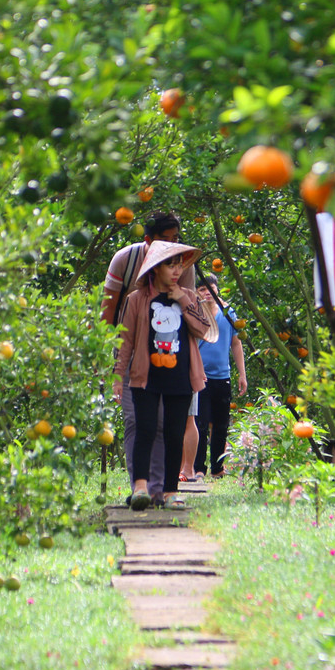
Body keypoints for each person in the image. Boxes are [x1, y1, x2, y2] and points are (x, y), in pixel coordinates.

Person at [101, 213, 195, 501]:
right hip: (131, 353)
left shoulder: (183, 265)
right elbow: (109, 311)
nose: (171, 247)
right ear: (148, 241)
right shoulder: (125, 260)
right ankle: (140, 487)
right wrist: (110, 362)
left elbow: (192, 317)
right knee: (138, 422)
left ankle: (159, 490)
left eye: (175, 240)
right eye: (164, 241)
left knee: (166, 423)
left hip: (170, 359)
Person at [113, 241, 212, 510]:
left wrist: (181, 298)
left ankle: (170, 491)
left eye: (179, 264)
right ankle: (141, 488)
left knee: (173, 433)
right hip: (146, 376)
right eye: (170, 264)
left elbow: (204, 330)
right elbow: (126, 340)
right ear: (156, 268)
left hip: (180, 378)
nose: (177, 270)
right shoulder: (137, 299)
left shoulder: (189, 297)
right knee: (144, 430)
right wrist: (117, 375)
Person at [191, 273, 246, 478]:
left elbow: (236, 343)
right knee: (200, 424)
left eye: (210, 288)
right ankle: (198, 469)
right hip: (199, 378)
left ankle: (217, 469)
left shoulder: (228, 312)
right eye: (202, 289)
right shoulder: (194, 313)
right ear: (197, 292)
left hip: (222, 376)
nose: (207, 293)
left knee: (221, 425)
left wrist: (242, 374)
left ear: (217, 290)